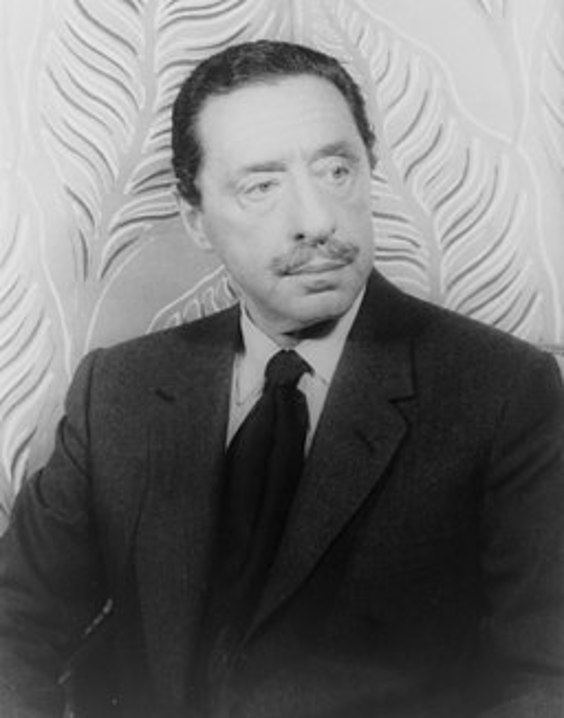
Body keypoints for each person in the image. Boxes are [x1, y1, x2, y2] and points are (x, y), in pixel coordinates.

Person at [0, 39, 563, 718]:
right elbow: (13, 631)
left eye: (336, 170)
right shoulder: (117, 391)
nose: (317, 220)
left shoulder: (504, 391)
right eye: (260, 186)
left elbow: (547, 676)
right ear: (196, 220)